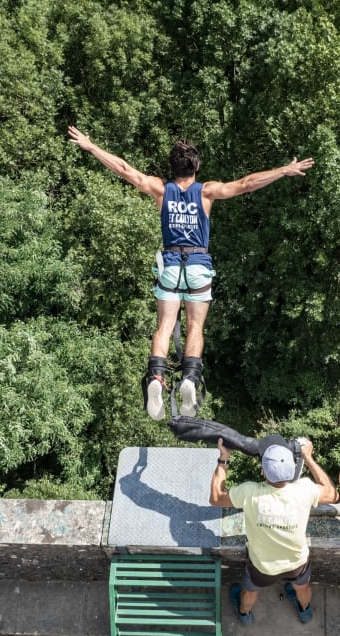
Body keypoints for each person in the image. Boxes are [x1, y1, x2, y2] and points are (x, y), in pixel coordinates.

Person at [68, 126, 314, 420]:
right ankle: (189, 379)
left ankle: (157, 378)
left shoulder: (161, 189)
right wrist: (284, 170)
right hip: (198, 266)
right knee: (195, 329)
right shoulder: (206, 191)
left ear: (172, 168)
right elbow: (247, 183)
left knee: (163, 326)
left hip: (171, 265)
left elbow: (124, 170)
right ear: (196, 166)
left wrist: (91, 147)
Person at [209, 435, 339, 625]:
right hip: (296, 562)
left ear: (263, 471)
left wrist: (224, 459)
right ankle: (305, 613)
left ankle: (245, 615)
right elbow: (332, 494)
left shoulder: (250, 493)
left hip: (263, 566)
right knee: (302, 587)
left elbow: (216, 498)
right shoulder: (304, 490)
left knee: (251, 590)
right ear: (293, 468)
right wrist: (309, 457)